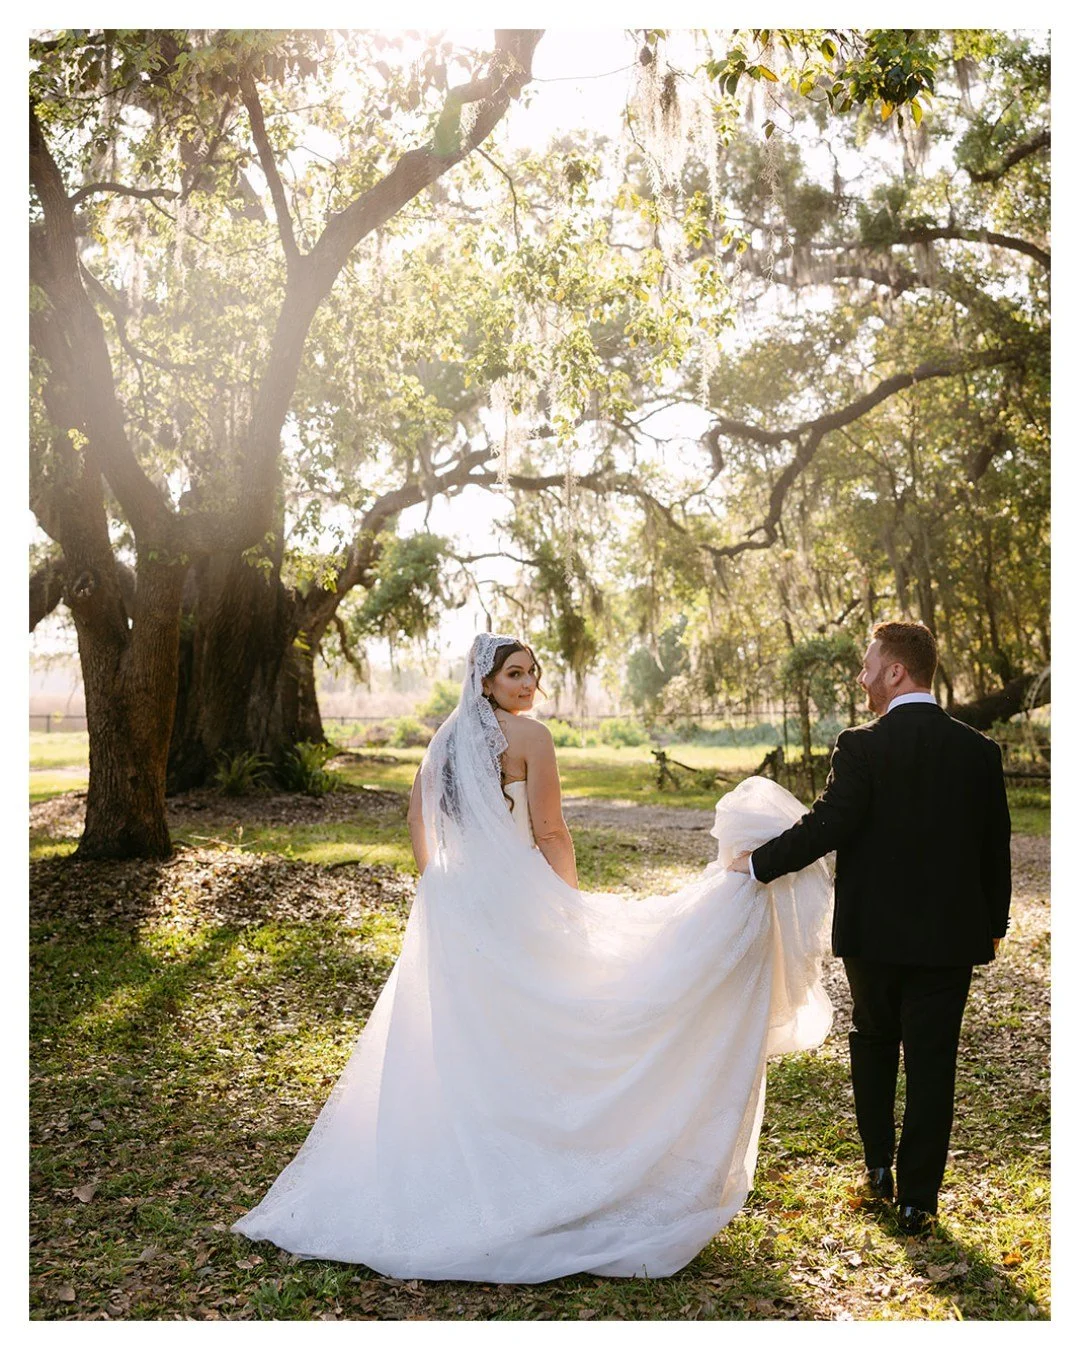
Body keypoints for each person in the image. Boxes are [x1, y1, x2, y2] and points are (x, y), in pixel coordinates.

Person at [233, 633, 835, 1282]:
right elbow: (550, 831)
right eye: (515, 674)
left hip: (457, 902)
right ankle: (540, 1167)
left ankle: (480, 1160)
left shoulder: (445, 737)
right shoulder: (533, 739)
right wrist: (567, 908)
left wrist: (438, 882)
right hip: (515, 899)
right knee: (535, 1028)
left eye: (533, 676)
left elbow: (417, 814)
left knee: (477, 1038)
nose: (527, 687)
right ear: (485, 680)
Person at [728, 620, 1011, 1236]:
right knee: (935, 1063)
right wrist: (994, 923)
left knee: (875, 1042)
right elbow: (996, 847)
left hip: (874, 935)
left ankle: (879, 1167)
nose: (861, 678)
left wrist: (755, 865)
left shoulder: (860, 745)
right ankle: (918, 1201)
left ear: (895, 672)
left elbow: (829, 825)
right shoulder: (978, 751)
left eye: (866, 666)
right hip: (950, 938)